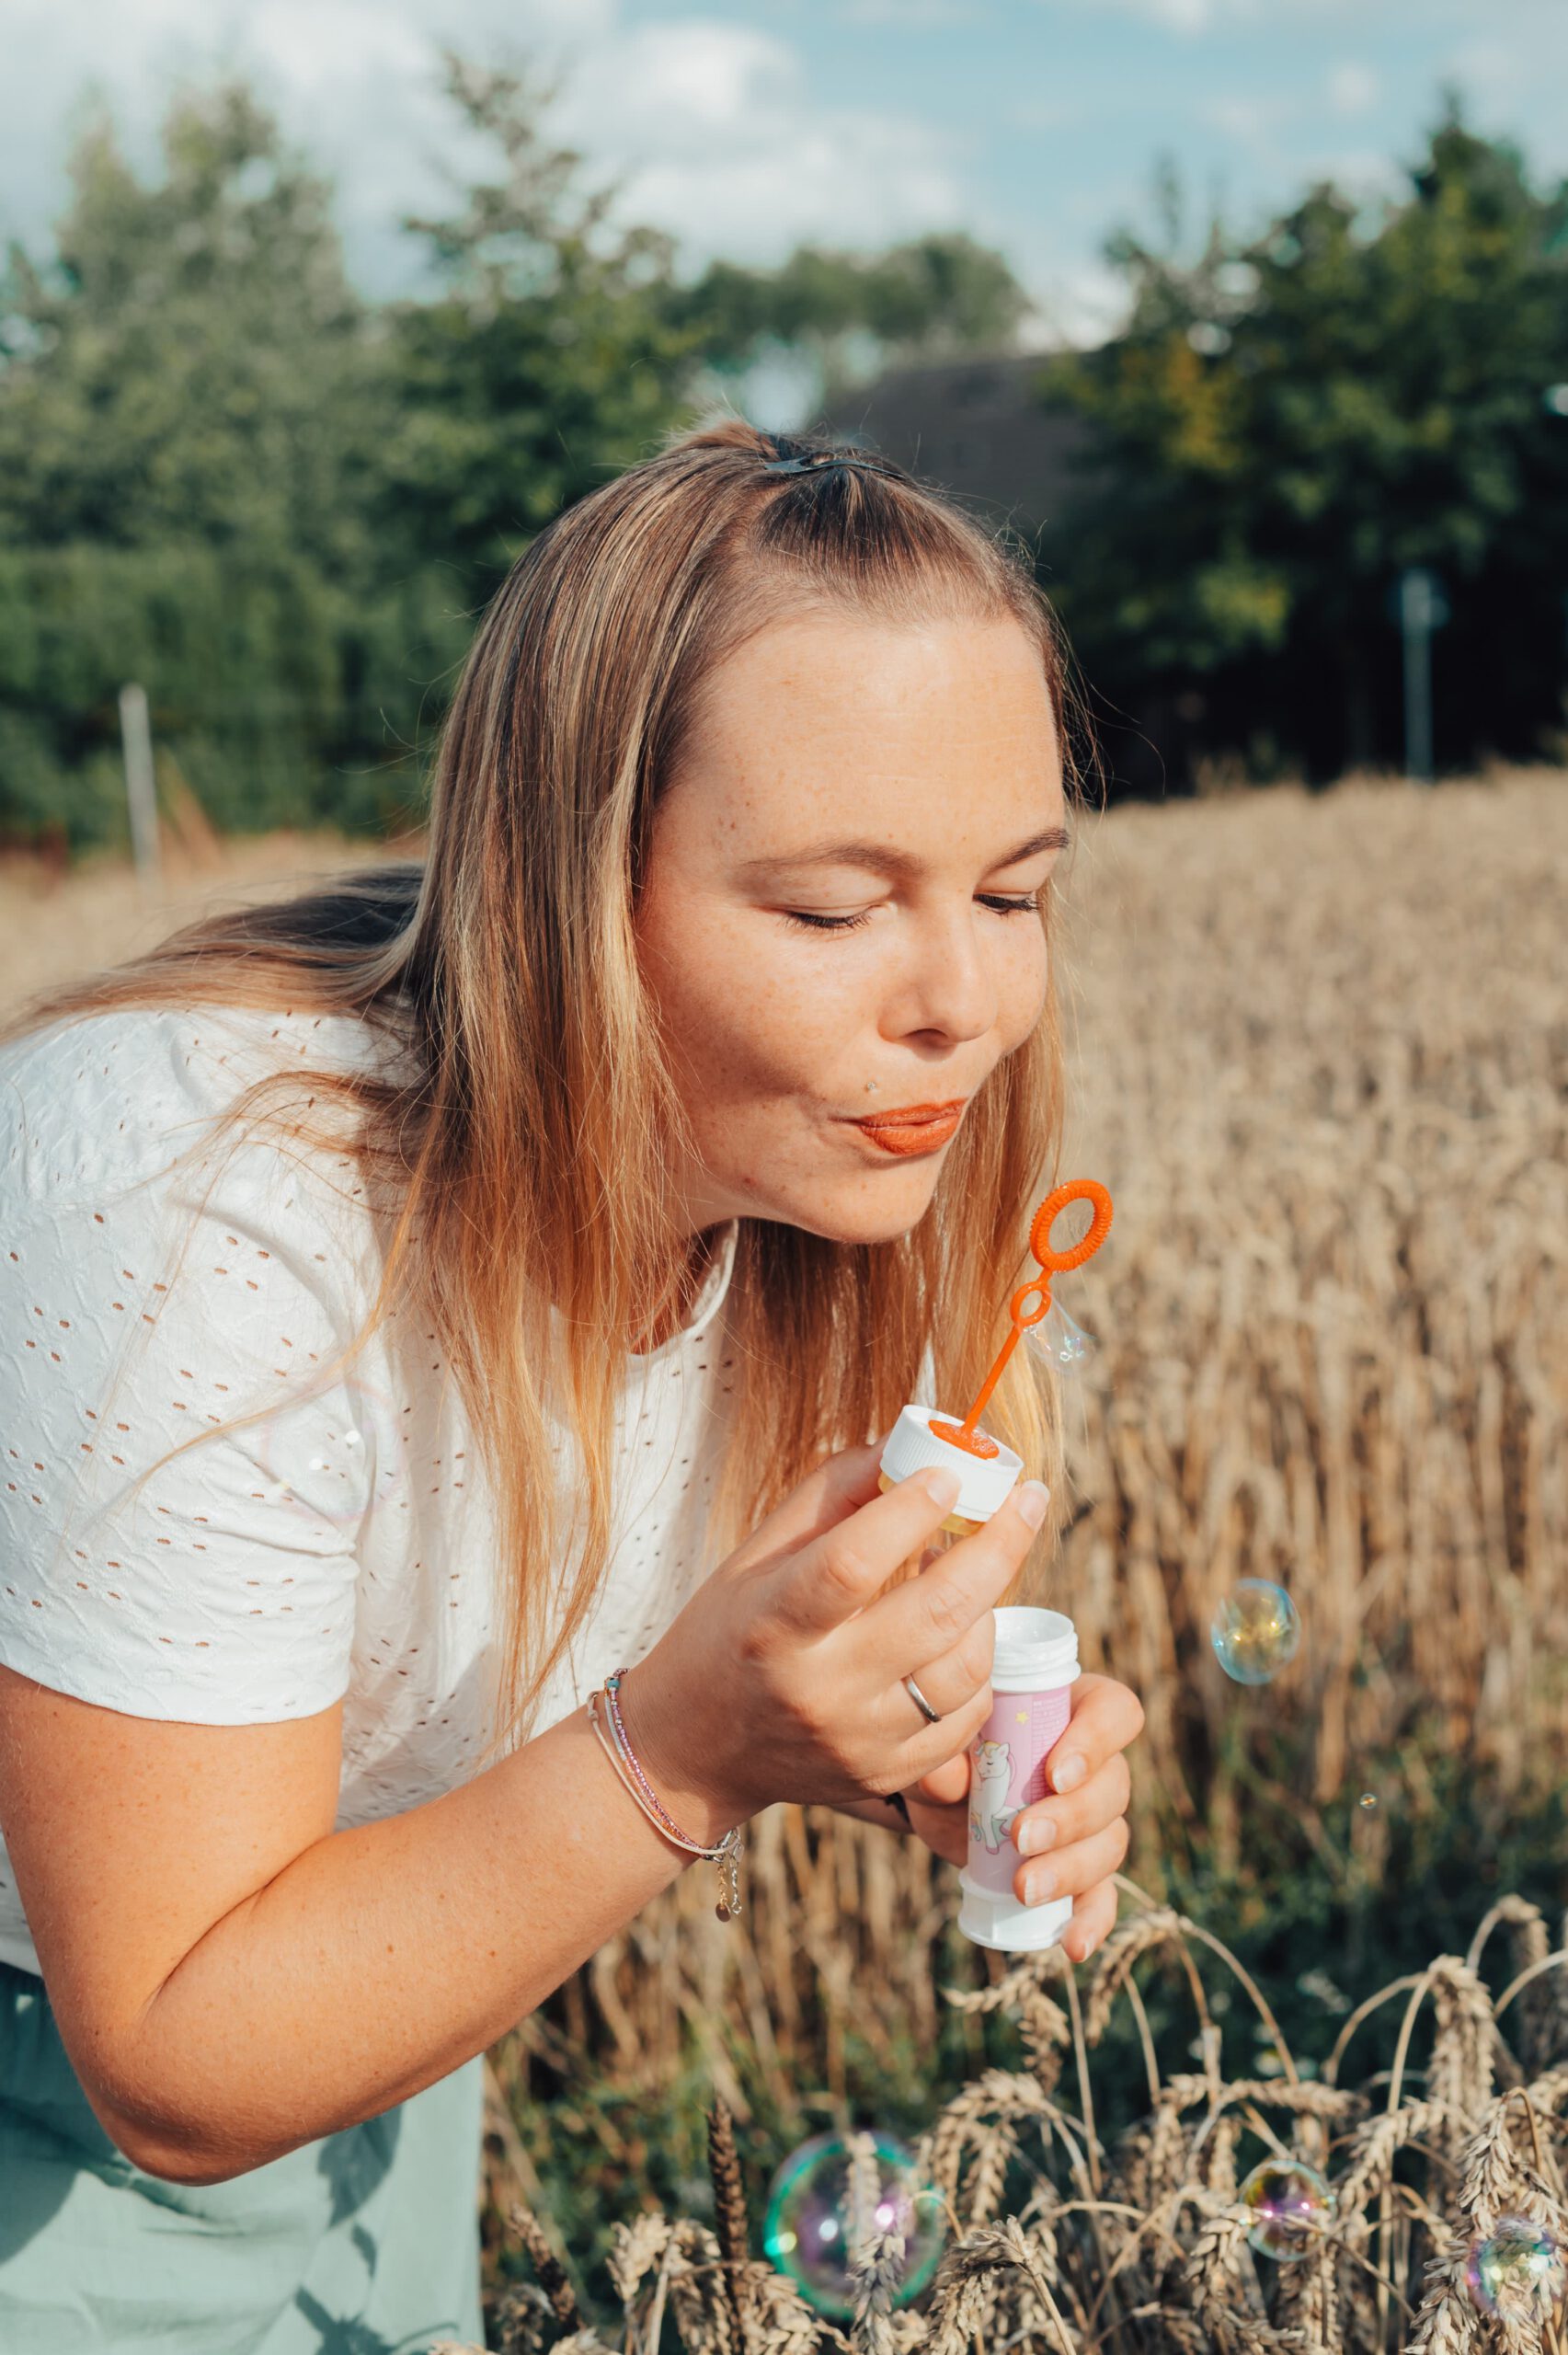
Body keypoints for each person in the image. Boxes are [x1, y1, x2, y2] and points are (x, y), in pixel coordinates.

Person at [0, 419, 1144, 2353]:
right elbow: (174, 2053)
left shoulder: (821, 1175)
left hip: (369, 2057)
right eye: (829, 904)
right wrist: (685, 1749)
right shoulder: (196, 1189)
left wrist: (901, 1741)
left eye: (1010, 890)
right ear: (571, 892)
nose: (959, 994)